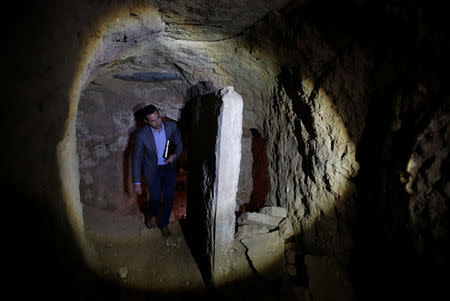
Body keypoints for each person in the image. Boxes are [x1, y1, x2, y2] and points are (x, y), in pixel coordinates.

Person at [132, 104, 183, 237]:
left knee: (169, 197)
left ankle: (164, 223)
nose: (157, 122)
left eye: (158, 118)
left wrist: (174, 155)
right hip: (152, 170)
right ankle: (153, 214)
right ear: (146, 122)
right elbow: (136, 158)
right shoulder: (141, 134)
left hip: (169, 168)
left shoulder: (172, 127)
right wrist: (136, 182)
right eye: (153, 121)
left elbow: (179, 144)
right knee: (155, 197)